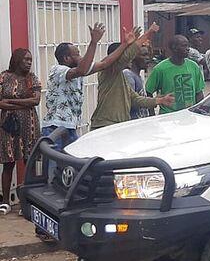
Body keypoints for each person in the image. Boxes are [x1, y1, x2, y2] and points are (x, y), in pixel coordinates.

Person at [41, 23, 133, 149]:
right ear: (66, 58)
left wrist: (125, 44)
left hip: (70, 128)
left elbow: (104, 63)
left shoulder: (78, 70)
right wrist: (93, 42)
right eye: (77, 54)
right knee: (52, 166)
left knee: (70, 166)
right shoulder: (58, 70)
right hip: (55, 128)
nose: (81, 57)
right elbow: (82, 70)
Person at [90, 24, 175, 130]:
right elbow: (127, 56)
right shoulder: (109, 70)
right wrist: (148, 33)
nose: (130, 59)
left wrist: (160, 101)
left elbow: (135, 99)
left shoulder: (120, 77)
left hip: (118, 125)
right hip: (106, 125)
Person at [0, 49, 41, 215]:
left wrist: (11, 101)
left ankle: (28, 201)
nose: (29, 62)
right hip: (8, 127)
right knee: (8, 162)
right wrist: (24, 103)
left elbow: (36, 100)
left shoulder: (32, 78)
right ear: (17, 60)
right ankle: (5, 202)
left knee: (28, 162)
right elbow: (0, 103)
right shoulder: (4, 77)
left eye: (30, 59)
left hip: (29, 126)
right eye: (26, 59)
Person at [145, 35, 205, 114]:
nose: (188, 49)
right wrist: (152, 114)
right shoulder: (160, 69)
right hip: (168, 116)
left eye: (188, 46)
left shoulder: (193, 66)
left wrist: (199, 112)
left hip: (189, 115)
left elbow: (199, 93)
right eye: (184, 46)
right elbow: (149, 91)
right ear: (174, 48)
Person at [123, 45, 154, 119]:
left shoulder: (139, 77)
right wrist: (156, 101)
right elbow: (131, 101)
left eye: (148, 55)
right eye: (144, 55)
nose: (147, 58)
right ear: (133, 57)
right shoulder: (128, 75)